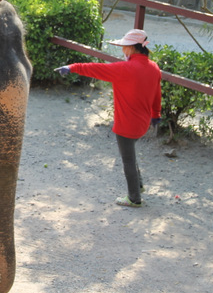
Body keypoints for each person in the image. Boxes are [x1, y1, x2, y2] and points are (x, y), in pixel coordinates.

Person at [54, 29, 162, 208]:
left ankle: (134, 198)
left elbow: (95, 69)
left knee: (127, 160)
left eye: (124, 47)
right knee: (131, 154)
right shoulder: (154, 67)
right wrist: (156, 115)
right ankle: (138, 186)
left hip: (126, 125)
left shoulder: (124, 69)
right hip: (143, 123)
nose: (122, 51)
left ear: (131, 48)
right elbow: (157, 94)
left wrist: (72, 67)